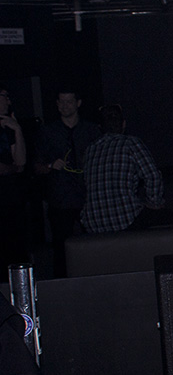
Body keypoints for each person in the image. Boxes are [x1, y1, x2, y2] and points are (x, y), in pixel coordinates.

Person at [33, 89, 101, 276]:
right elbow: (36, 166)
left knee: (93, 245)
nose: (65, 106)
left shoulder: (91, 130)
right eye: (61, 102)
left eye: (69, 101)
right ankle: (62, 284)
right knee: (61, 248)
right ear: (56, 104)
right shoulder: (48, 132)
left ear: (78, 103)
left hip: (88, 198)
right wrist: (50, 165)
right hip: (60, 199)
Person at [80, 104, 165, 233]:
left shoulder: (90, 149)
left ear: (100, 127)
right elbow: (152, 175)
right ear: (124, 124)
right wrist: (154, 203)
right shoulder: (130, 143)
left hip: (93, 223)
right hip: (125, 219)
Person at [0, 85, 29, 269]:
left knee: (15, 250)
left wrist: (17, 130)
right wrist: (13, 168)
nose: (8, 101)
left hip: (10, 199)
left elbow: (21, 162)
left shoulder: (7, 125)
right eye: (5, 96)